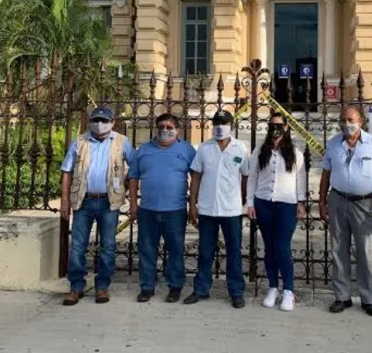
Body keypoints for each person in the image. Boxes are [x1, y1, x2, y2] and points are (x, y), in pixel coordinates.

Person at [318, 105, 372, 317]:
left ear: (360, 120)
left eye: (351, 119)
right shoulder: (333, 144)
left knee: (365, 252)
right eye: (343, 120)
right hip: (338, 201)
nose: (346, 124)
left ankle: (369, 299)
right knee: (339, 250)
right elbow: (325, 175)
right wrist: (322, 203)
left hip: (365, 204)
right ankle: (342, 297)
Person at [60, 106, 135, 306]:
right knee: (78, 245)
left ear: (112, 122)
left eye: (104, 120)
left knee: (108, 246)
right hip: (83, 201)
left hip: (108, 202)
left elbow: (135, 169)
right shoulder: (80, 141)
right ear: (89, 121)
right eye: (96, 120)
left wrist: (128, 192)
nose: (99, 124)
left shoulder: (122, 142)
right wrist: (65, 201)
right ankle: (76, 286)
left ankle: (102, 286)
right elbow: (66, 171)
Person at [183, 110, 249, 309]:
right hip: (207, 209)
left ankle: (236, 292)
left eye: (224, 123)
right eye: (217, 123)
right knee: (205, 251)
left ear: (231, 125)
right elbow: (195, 177)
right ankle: (201, 289)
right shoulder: (204, 147)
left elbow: (245, 176)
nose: (220, 127)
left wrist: (245, 202)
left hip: (232, 210)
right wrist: (192, 204)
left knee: (234, 252)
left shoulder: (240, 148)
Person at [128, 113, 196, 304]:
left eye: (169, 127)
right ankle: (147, 287)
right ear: (156, 129)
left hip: (175, 210)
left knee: (175, 250)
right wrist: (133, 203)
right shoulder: (143, 150)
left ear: (177, 130)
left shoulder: (187, 150)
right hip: (148, 210)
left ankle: (175, 287)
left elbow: (197, 177)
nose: (165, 130)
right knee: (147, 249)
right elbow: (133, 177)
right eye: (161, 127)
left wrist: (193, 205)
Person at [246, 113, 307, 311]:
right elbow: (252, 177)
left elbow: (300, 179)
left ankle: (288, 289)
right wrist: (250, 203)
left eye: (280, 125)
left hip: (286, 204)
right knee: (270, 247)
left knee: (282, 247)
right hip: (263, 203)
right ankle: (273, 287)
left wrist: (301, 202)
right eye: (273, 124)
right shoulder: (259, 151)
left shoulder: (295, 153)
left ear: (287, 128)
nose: (276, 128)